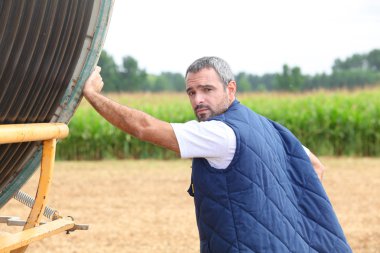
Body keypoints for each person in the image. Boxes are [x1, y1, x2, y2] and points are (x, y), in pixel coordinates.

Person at [83, 56, 351, 253]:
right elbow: (315, 167)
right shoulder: (271, 128)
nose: (198, 99)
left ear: (230, 89)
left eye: (207, 90)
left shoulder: (220, 134)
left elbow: (144, 128)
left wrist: (92, 94)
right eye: (191, 92)